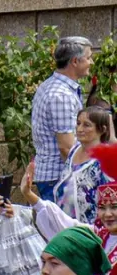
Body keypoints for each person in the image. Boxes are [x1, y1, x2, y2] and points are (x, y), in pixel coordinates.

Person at [31, 35, 93, 202]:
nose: (91, 62)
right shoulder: (61, 95)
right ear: (75, 61)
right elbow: (67, 147)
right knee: (63, 228)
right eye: (88, 58)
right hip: (58, 179)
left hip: (52, 177)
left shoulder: (51, 86)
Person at [59, 104, 114, 223]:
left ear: (102, 129)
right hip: (64, 225)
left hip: (90, 232)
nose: (79, 129)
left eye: (86, 125)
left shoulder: (105, 160)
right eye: (78, 123)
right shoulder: (74, 151)